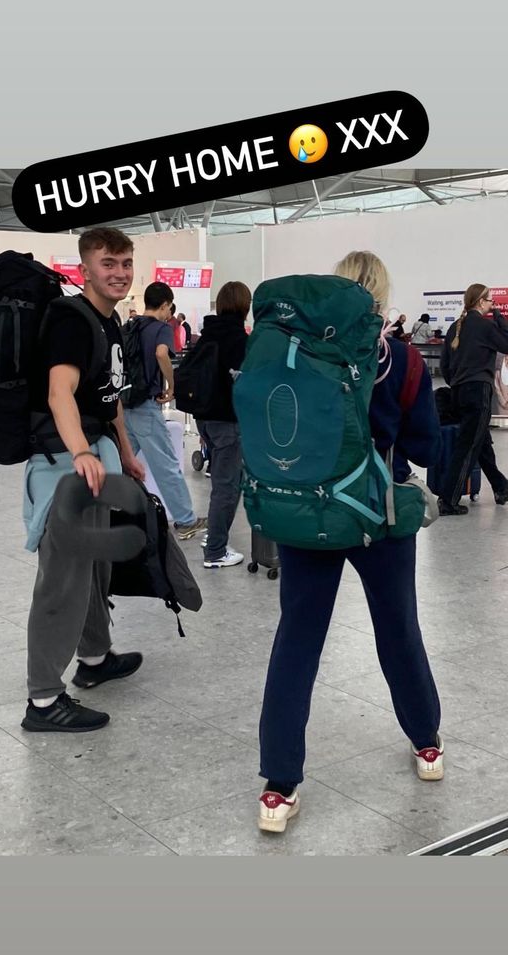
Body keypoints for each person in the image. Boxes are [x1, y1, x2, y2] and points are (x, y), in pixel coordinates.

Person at [257, 251, 443, 835]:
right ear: (381, 299)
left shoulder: (294, 355)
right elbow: (425, 447)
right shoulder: (403, 360)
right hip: (378, 517)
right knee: (398, 628)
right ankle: (426, 742)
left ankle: (279, 785)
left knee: (298, 639)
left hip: (304, 518)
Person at [21, 227, 146, 734]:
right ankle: (44, 700)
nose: (119, 272)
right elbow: (60, 392)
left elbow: (107, 396)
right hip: (65, 464)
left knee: (95, 571)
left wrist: (128, 453)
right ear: (85, 269)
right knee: (63, 580)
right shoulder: (72, 320)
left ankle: (95, 658)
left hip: (98, 457)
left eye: (125, 263)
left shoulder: (109, 321)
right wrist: (79, 452)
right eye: (108, 263)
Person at [123, 282, 207, 540]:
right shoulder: (161, 329)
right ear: (164, 305)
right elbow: (161, 354)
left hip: (125, 402)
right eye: (169, 307)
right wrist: (172, 384)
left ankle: (107, 511)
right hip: (146, 405)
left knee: (122, 462)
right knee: (167, 464)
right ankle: (185, 520)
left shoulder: (129, 326)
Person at [438, 283, 508, 515]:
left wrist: (457, 382)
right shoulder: (484, 326)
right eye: (490, 301)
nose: (492, 305)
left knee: (481, 443)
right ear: (480, 302)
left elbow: (445, 366)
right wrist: (500, 320)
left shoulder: (454, 328)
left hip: (458, 392)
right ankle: (448, 500)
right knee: (468, 446)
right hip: (478, 392)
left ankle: (501, 487)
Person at [195, 281, 250, 568]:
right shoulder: (240, 341)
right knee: (227, 487)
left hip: (204, 418)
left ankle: (212, 536)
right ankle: (215, 551)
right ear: (245, 306)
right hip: (228, 421)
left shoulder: (208, 335)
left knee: (221, 482)